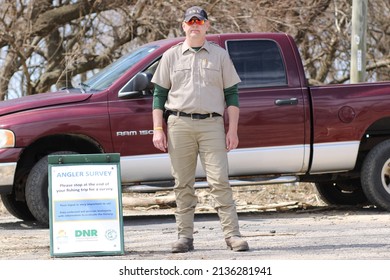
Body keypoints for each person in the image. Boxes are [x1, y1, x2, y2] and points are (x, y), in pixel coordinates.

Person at [151, 6, 249, 253]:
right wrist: (157, 129)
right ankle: (185, 237)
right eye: (190, 21)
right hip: (178, 125)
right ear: (183, 26)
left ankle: (233, 236)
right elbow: (159, 95)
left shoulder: (220, 56)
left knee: (219, 182)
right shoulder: (171, 56)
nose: (194, 24)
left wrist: (233, 130)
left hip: (212, 125)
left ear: (207, 25)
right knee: (182, 184)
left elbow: (232, 95)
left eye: (199, 20)